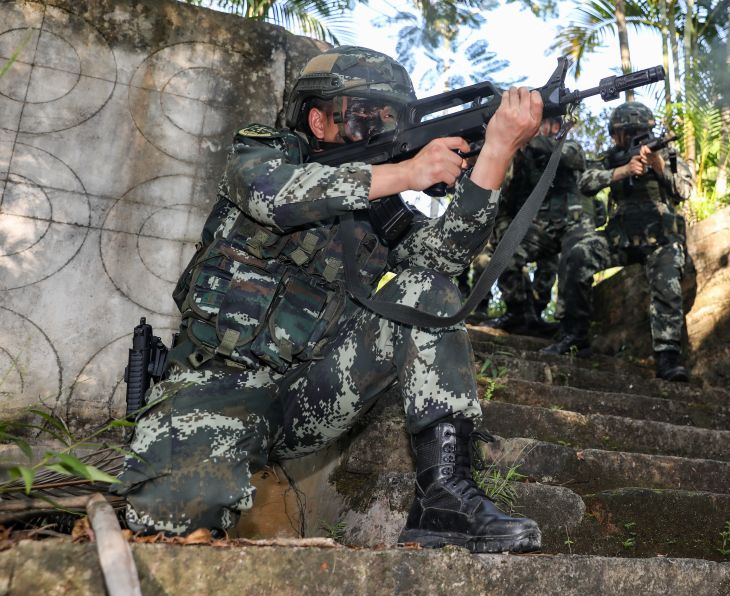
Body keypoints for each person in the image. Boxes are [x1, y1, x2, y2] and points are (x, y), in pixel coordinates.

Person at [114, 46, 544, 554]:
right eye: (365, 117)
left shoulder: (381, 208)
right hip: (218, 384)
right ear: (318, 120)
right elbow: (274, 195)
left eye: (391, 119)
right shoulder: (264, 152)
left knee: (427, 291)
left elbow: (442, 260)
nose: (380, 130)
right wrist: (407, 174)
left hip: (314, 393)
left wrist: (495, 153)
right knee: (164, 529)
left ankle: (444, 498)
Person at [540, 101, 693, 382]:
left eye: (620, 134)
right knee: (579, 253)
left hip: (660, 239)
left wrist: (659, 167)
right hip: (620, 239)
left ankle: (668, 356)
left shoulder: (667, 154)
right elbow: (586, 182)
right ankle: (574, 336)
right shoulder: (613, 157)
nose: (616, 139)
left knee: (668, 277)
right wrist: (621, 171)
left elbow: (684, 190)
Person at [483, 116, 593, 336]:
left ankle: (562, 325)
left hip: (570, 226)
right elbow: (511, 194)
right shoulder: (526, 157)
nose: (539, 129)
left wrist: (527, 138)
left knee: (557, 268)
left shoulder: (568, 146)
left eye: (543, 124)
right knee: (507, 254)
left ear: (555, 126)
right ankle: (520, 314)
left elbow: (573, 157)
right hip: (540, 227)